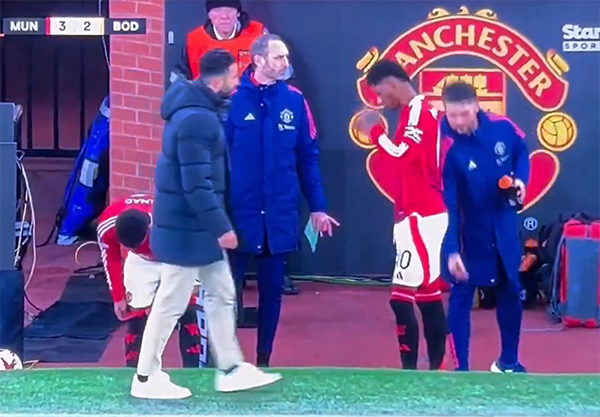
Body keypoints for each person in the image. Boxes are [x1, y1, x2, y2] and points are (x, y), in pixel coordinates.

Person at [146, 48, 281, 397]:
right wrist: (222, 227)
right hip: (187, 231)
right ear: (218, 81)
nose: (237, 83)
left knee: (222, 294)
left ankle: (231, 368)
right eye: (234, 76)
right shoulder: (197, 120)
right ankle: (146, 377)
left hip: (196, 231)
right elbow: (196, 184)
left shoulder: (193, 112)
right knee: (171, 304)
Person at [226, 34, 339, 367]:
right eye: (279, 57)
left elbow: (308, 158)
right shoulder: (232, 99)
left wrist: (318, 207)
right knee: (226, 295)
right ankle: (227, 362)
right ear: (258, 60)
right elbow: (215, 160)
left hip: (278, 215)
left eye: (286, 57)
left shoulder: (295, 100)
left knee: (272, 292)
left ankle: (264, 360)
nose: (285, 63)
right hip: (237, 215)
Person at [357, 59, 448, 370]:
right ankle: (432, 369)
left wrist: (376, 132)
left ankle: (417, 371)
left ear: (392, 84)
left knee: (406, 296)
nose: (381, 100)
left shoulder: (419, 111)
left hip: (422, 215)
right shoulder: (414, 112)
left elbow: (402, 154)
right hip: (417, 213)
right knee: (423, 294)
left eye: (380, 93)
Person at [440, 81, 529, 373]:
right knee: (461, 296)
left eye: (464, 114)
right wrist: (452, 250)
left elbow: (521, 151)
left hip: (503, 225)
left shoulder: (502, 127)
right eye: (452, 115)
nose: (458, 121)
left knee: (510, 290)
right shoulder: (444, 144)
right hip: (467, 231)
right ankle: (461, 370)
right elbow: (449, 204)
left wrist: (520, 181)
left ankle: (508, 362)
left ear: (476, 106)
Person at [97, 195, 208, 371]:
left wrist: (162, 302)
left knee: (187, 307)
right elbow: (111, 258)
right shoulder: (107, 226)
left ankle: (193, 371)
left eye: (138, 244)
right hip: (143, 262)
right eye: (130, 247)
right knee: (137, 313)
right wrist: (118, 296)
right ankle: (133, 372)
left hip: (179, 256)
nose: (135, 248)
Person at [173, 0, 267, 81]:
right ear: (209, 15)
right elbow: (179, 78)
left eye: (229, 10)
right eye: (217, 10)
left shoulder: (258, 34)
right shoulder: (193, 40)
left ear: (238, 13)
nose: (224, 16)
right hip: (205, 96)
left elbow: (273, 69)